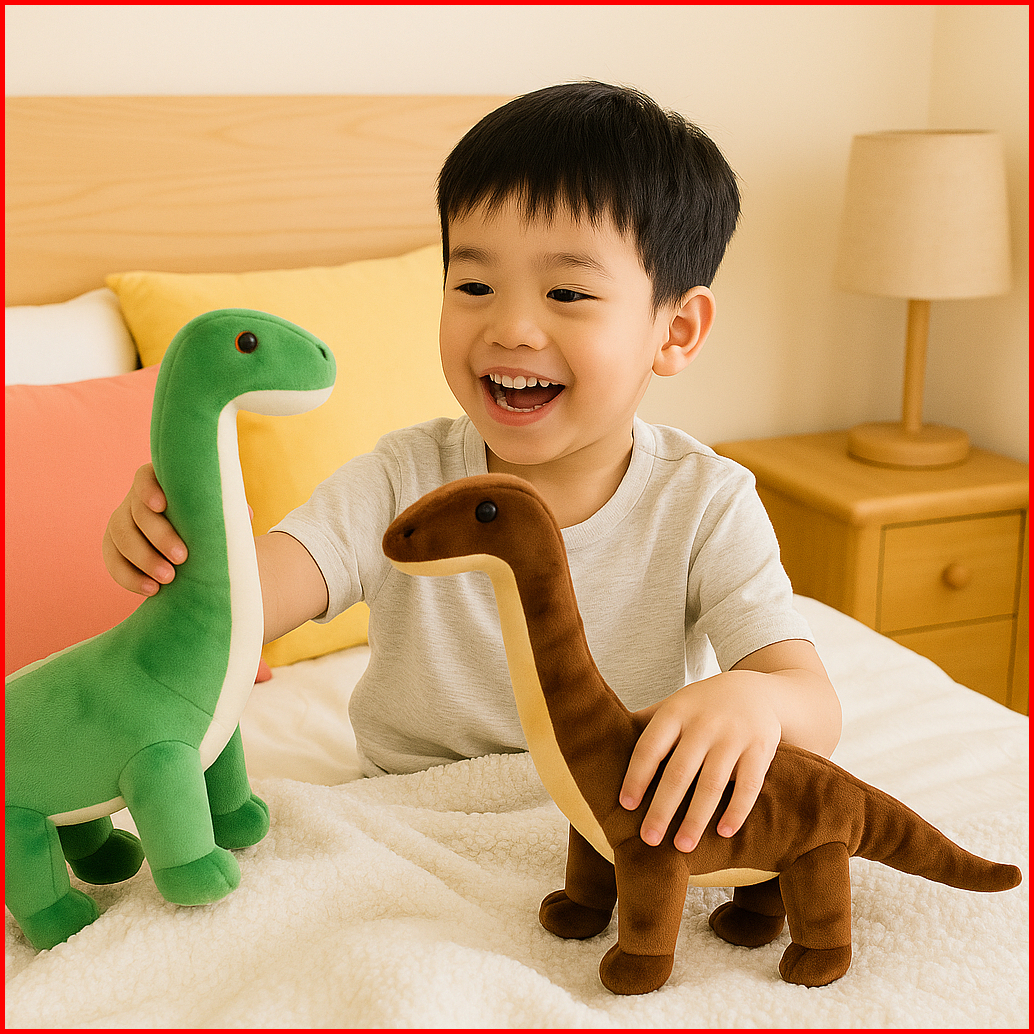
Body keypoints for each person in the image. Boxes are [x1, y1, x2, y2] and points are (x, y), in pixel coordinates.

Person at [103, 81, 841, 856]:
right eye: (474, 286)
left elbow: (812, 703)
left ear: (676, 330)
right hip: (409, 824)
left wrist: (754, 701)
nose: (511, 327)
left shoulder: (703, 502)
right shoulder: (400, 481)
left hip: (608, 835)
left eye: (567, 292)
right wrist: (177, 543)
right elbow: (236, 607)